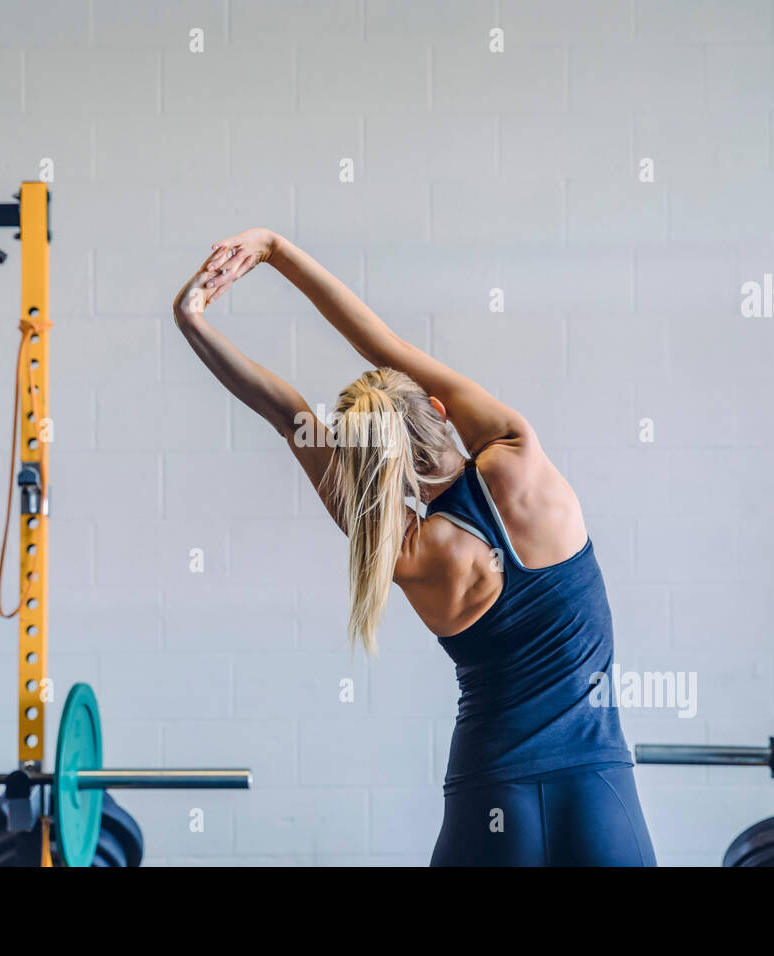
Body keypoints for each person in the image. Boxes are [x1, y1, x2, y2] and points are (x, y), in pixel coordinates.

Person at [172, 228, 656, 867]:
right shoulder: (517, 455)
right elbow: (383, 344)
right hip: (597, 793)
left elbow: (283, 411)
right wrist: (276, 249)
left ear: (372, 468)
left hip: (491, 793)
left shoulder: (401, 550)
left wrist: (192, 318)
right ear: (436, 408)